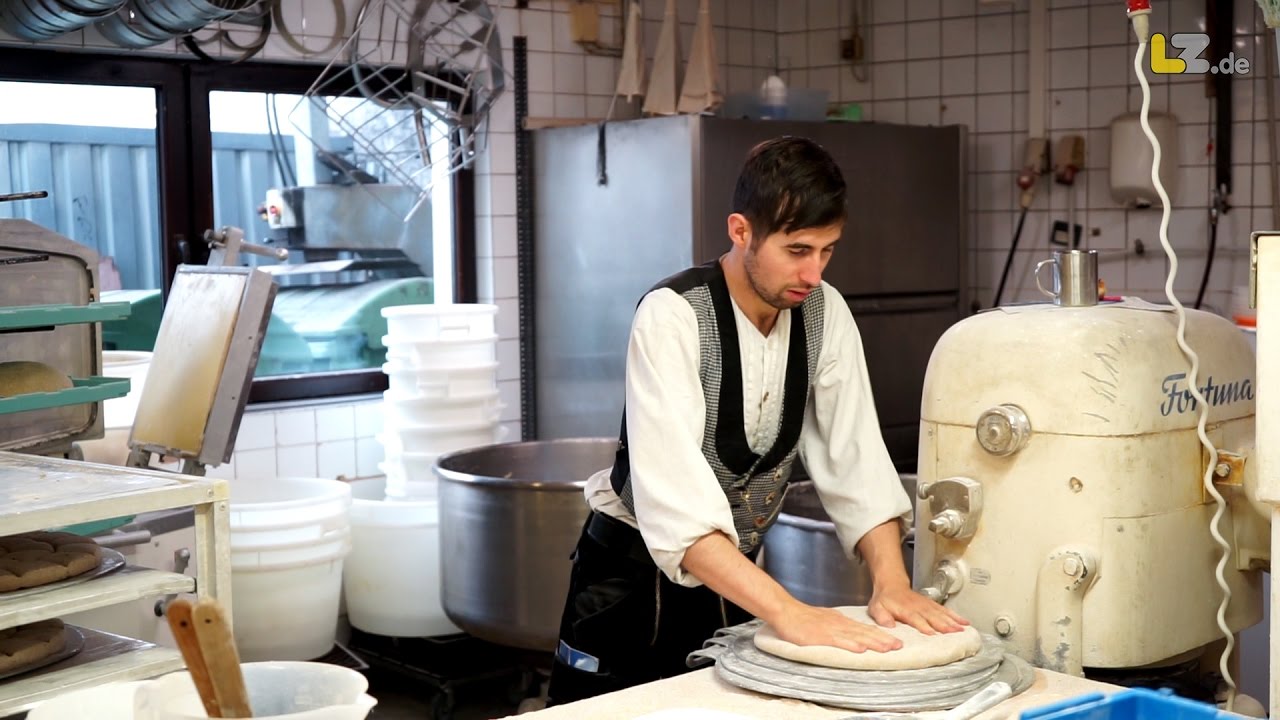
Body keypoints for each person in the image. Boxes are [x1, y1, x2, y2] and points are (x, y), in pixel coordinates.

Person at [545, 135, 969, 707]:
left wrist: (891, 582)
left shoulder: (824, 312)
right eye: (797, 250)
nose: (813, 273)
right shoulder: (673, 317)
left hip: (736, 582)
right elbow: (677, 508)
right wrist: (789, 612)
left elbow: (856, 458)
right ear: (740, 231)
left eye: (827, 250)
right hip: (626, 581)